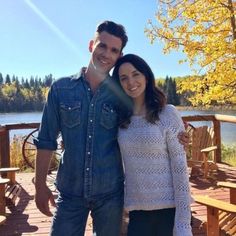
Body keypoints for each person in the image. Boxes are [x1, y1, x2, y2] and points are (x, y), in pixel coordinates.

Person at [34, 21, 189, 236]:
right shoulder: (61, 89)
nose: (106, 54)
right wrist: (39, 185)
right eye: (102, 46)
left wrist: (178, 131)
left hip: (110, 196)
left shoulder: (121, 94)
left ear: (119, 55)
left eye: (114, 50)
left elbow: (147, 115)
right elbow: (46, 140)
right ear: (91, 45)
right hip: (69, 193)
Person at [112, 54, 193, 236]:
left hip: (168, 210)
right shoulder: (119, 118)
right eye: (123, 78)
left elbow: (180, 170)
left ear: (146, 76)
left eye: (135, 74)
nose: (130, 82)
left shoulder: (167, 114)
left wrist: (183, 224)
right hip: (136, 210)